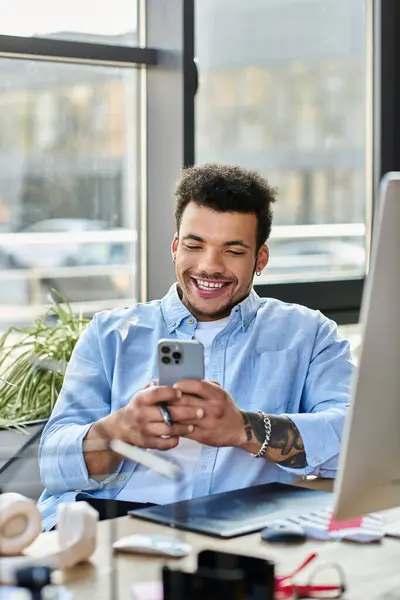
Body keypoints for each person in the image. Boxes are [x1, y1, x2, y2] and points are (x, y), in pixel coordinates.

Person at [37, 164, 354, 531]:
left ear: (260, 259)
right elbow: (53, 462)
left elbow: (355, 440)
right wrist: (120, 429)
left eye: (233, 251)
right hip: (112, 523)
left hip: (235, 529)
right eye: (194, 245)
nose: (209, 266)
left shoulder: (309, 334)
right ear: (175, 247)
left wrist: (243, 429)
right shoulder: (110, 334)